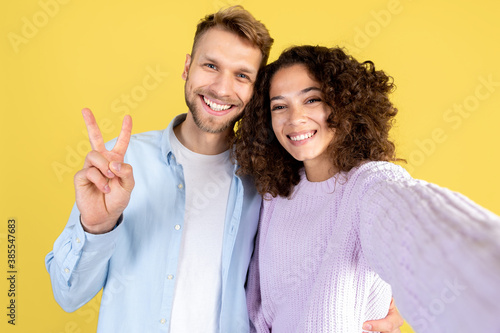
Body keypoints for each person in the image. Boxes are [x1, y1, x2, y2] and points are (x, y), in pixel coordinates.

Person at [45, 7, 403, 333]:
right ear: (187, 67)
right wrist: (95, 226)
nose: (221, 88)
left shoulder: (269, 179)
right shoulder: (121, 166)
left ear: (255, 91)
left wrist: (393, 293)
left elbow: (317, 257)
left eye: (242, 75)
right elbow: (68, 295)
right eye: (211, 66)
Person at [234, 45, 500, 332]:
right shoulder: (276, 195)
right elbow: (258, 313)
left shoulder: (368, 185)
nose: (294, 118)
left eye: (312, 99)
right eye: (279, 106)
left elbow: (421, 231)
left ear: (343, 103)